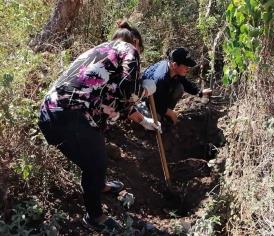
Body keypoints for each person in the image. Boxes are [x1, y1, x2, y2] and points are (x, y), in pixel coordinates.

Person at [38, 21, 159, 233]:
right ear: (137, 42)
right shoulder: (128, 48)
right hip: (70, 114)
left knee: (95, 156)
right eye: (140, 51)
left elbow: (116, 101)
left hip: (51, 112)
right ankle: (94, 217)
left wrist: (144, 122)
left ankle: (99, 185)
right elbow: (128, 91)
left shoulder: (101, 51)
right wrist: (144, 91)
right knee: (95, 164)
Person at [141, 47, 212, 124]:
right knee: (157, 121)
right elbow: (156, 103)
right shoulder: (161, 79)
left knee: (179, 88)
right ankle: (159, 117)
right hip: (147, 101)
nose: (188, 69)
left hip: (160, 95)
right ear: (175, 65)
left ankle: (165, 114)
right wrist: (171, 114)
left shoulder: (173, 69)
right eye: (186, 66)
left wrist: (200, 92)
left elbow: (184, 82)